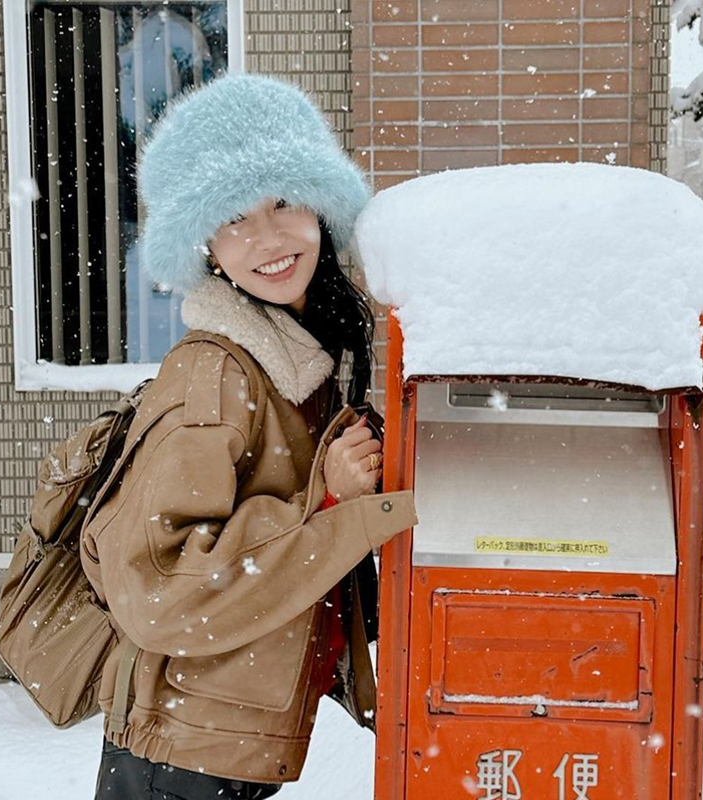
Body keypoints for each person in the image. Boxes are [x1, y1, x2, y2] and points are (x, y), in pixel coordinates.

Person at [79, 72, 418, 800]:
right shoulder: (212, 376)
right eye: (232, 216)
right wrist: (327, 501)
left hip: (216, 742)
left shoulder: (303, 355)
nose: (266, 237)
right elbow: (159, 587)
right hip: (182, 759)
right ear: (204, 244)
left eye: (284, 200)